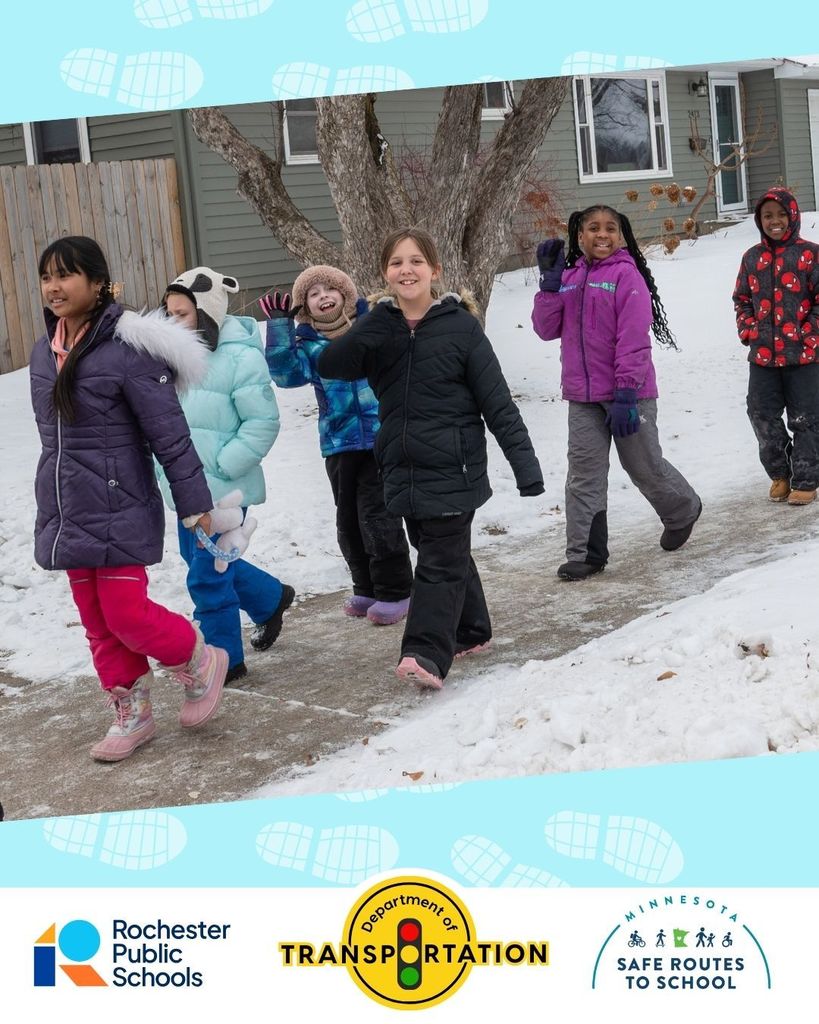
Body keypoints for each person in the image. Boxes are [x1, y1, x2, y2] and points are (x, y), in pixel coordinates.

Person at [317, 227, 544, 690]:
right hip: (401, 468)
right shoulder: (378, 328)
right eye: (397, 262)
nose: (407, 269)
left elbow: (497, 402)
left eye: (417, 261)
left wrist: (526, 466)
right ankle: (472, 629)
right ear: (385, 272)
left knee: (438, 561)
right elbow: (331, 366)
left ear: (435, 271)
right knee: (442, 550)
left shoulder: (461, 328)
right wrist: (374, 325)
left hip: (454, 466)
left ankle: (425, 652)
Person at [30, 236, 229, 762]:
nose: (54, 286)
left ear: (98, 284)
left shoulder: (127, 350)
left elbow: (169, 432)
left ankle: (198, 657)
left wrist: (194, 502)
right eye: (47, 275)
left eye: (67, 275)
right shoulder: (43, 350)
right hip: (69, 506)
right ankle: (132, 711)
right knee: (96, 622)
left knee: (126, 615)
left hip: (120, 503)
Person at [531, 204, 701, 581]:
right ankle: (585, 553)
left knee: (643, 466)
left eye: (610, 228)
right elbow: (546, 330)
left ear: (621, 236)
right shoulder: (570, 277)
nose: (602, 235)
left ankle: (683, 509)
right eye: (593, 228)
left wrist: (626, 391)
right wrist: (549, 286)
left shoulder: (628, 276)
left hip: (630, 394)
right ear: (580, 236)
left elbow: (634, 339)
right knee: (583, 475)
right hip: (583, 396)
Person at [161, 267, 295, 684]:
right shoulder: (169, 359)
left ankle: (223, 658)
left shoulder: (239, 356)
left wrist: (223, 467)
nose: (171, 322)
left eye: (181, 313)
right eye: (168, 313)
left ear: (207, 312)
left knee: (207, 574)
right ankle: (270, 598)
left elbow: (262, 422)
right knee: (202, 560)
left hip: (222, 492)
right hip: (183, 488)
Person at [261, 264, 412, 625]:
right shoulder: (309, 348)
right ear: (305, 307)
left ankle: (397, 590)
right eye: (313, 294)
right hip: (339, 443)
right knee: (349, 520)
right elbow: (284, 375)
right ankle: (366, 588)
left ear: (346, 294)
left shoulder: (371, 328)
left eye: (330, 289)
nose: (323, 296)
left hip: (381, 438)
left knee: (378, 516)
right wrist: (280, 328)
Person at [732, 186, 819, 505]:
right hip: (763, 356)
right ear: (759, 220)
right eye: (768, 216)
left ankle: (807, 479)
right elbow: (742, 299)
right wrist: (750, 330)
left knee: (806, 418)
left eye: (782, 214)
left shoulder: (810, 253)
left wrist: (809, 332)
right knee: (760, 413)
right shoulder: (752, 258)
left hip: (805, 356)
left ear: (793, 216)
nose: (775, 221)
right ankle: (781, 474)